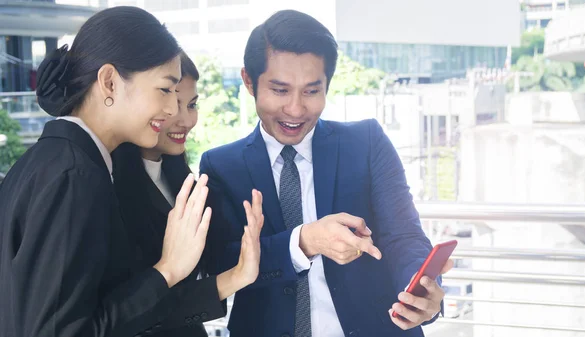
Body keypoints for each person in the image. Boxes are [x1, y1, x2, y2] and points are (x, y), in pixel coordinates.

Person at [0, 6, 258, 337]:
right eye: (165, 89)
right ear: (109, 81)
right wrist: (166, 269)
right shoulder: (74, 176)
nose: (171, 109)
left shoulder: (49, 162)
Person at [200, 9, 453, 337]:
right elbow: (219, 263)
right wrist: (303, 242)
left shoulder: (367, 142)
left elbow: (403, 234)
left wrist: (421, 289)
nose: (295, 108)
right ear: (249, 81)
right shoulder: (221, 166)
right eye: (279, 90)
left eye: (311, 90)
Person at [111, 52, 264, 337]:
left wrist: (241, 268)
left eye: (191, 105)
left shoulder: (185, 182)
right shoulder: (108, 186)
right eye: (169, 102)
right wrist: (232, 278)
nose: (185, 120)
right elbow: (129, 315)